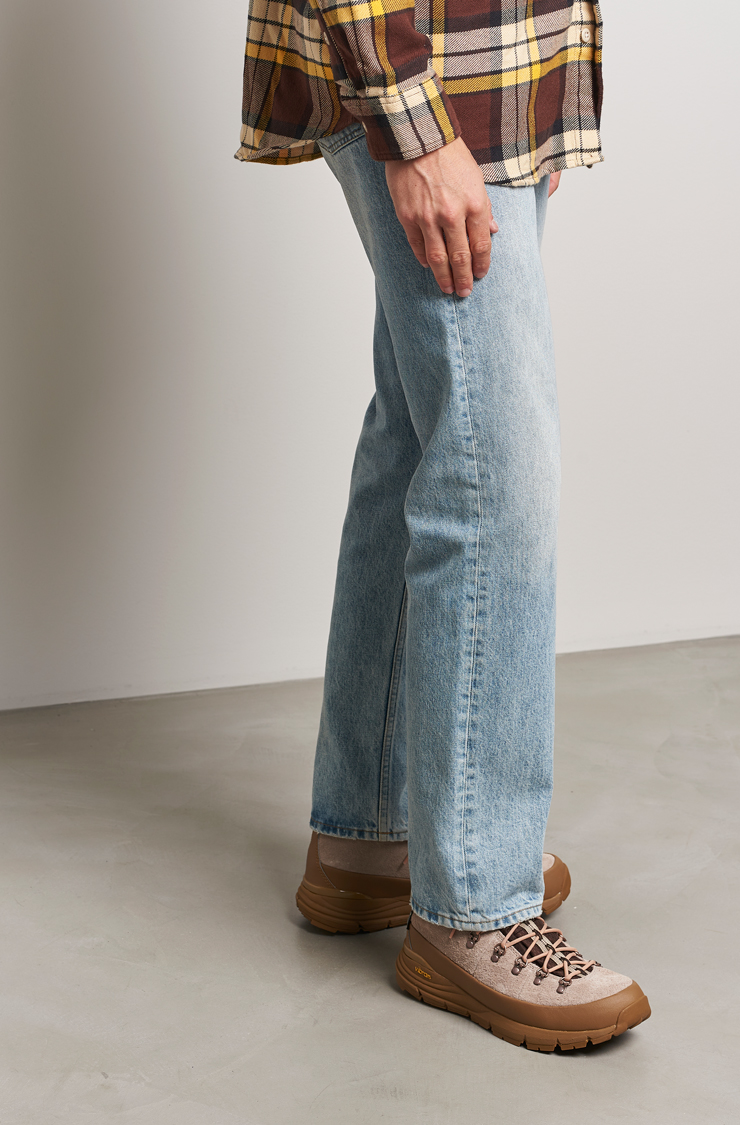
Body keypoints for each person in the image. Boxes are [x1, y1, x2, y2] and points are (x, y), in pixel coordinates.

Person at [236, 0, 650, 1050]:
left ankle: (370, 838)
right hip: (429, 79)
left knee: (426, 436)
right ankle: (476, 910)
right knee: (493, 472)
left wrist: (546, 90)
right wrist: (416, 128)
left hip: (491, 73)